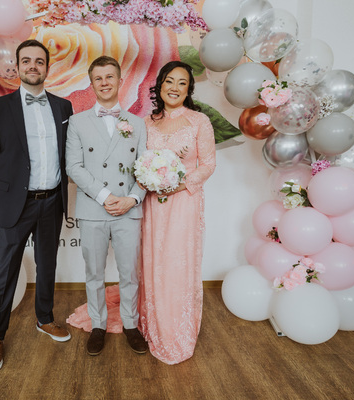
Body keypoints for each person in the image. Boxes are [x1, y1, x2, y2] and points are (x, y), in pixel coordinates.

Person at [0, 39, 74, 373]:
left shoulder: (64, 107)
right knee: (6, 270)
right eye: (27, 61)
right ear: (17, 67)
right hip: (16, 204)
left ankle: (44, 319)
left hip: (52, 200)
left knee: (47, 264)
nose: (33, 66)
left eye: (39, 61)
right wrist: (12, 189)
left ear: (47, 67)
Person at [65, 56, 149, 356]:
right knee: (94, 273)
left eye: (110, 76)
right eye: (98, 78)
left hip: (128, 209)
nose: (104, 83)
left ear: (120, 81)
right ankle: (98, 325)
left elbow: (146, 167)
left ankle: (130, 324)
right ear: (91, 83)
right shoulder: (77, 122)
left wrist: (132, 198)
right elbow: (74, 167)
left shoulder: (137, 123)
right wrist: (103, 196)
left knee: (129, 273)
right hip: (92, 209)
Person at [138, 61, 216, 364]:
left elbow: (208, 164)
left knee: (177, 264)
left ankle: (176, 331)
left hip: (184, 202)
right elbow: (140, 163)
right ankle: (153, 323)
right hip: (153, 203)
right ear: (160, 85)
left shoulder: (199, 121)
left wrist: (178, 184)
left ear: (188, 90)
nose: (174, 87)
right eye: (169, 81)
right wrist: (151, 181)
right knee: (154, 261)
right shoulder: (147, 122)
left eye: (182, 83)